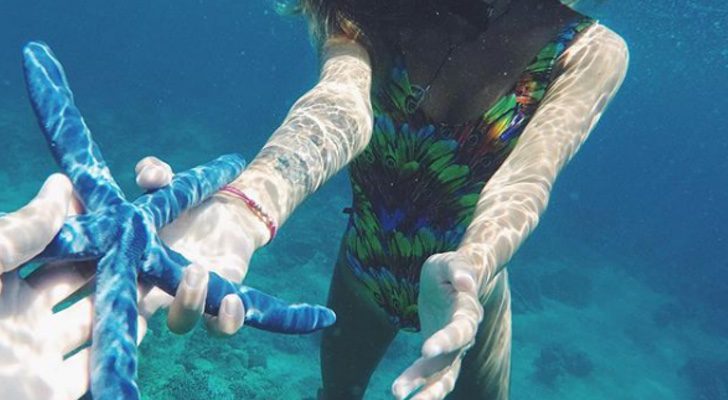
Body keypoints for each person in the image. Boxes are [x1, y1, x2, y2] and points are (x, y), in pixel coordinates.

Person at [2, 0, 628, 398]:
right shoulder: (364, 8)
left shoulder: (589, 50)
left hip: (469, 297)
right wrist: (241, 209)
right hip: (359, 274)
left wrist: (473, 265)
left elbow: (526, 179)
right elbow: (339, 107)